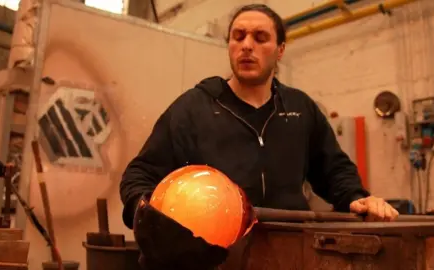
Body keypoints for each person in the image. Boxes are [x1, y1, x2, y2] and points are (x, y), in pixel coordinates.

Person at [120, 4, 399, 231]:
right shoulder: (193, 108)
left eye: (260, 37)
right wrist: (148, 215)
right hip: (217, 255)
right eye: (238, 36)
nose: (247, 45)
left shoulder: (300, 108)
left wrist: (357, 199)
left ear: (280, 50)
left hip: (292, 249)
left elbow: (334, 170)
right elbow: (139, 176)